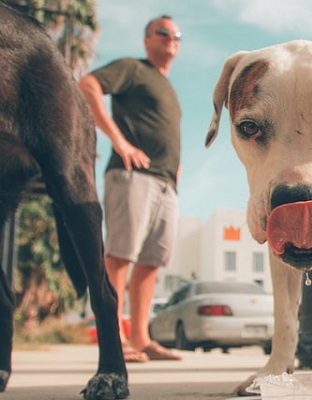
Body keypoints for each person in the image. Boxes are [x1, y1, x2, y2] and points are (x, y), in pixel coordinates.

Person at [79, 15, 183, 362]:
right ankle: (113, 339)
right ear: (147, 40)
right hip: (132, 175)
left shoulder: (166, 85)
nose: (171, 38)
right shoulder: (134, 69)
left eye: (176, 35)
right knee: (121, 255)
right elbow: (88, 85)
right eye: (163, 32)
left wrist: (176, 168)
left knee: (152, 261)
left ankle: (140, 338)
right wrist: (119, 141)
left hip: (165, 183)